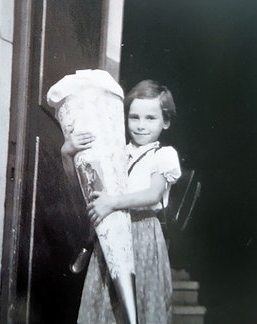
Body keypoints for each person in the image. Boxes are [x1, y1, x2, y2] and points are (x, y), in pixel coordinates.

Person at [61, 79, 181, 323]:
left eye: (150, 118)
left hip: (144, 236)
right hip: (110, 236)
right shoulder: (116, 154)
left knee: (140, 307)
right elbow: (82, 188)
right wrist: (67, 153)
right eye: (134, 117)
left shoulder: (163, 155)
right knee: (105, 307)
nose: (140, 126)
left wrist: (111, 203)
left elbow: (153, 194)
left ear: (165, 121)